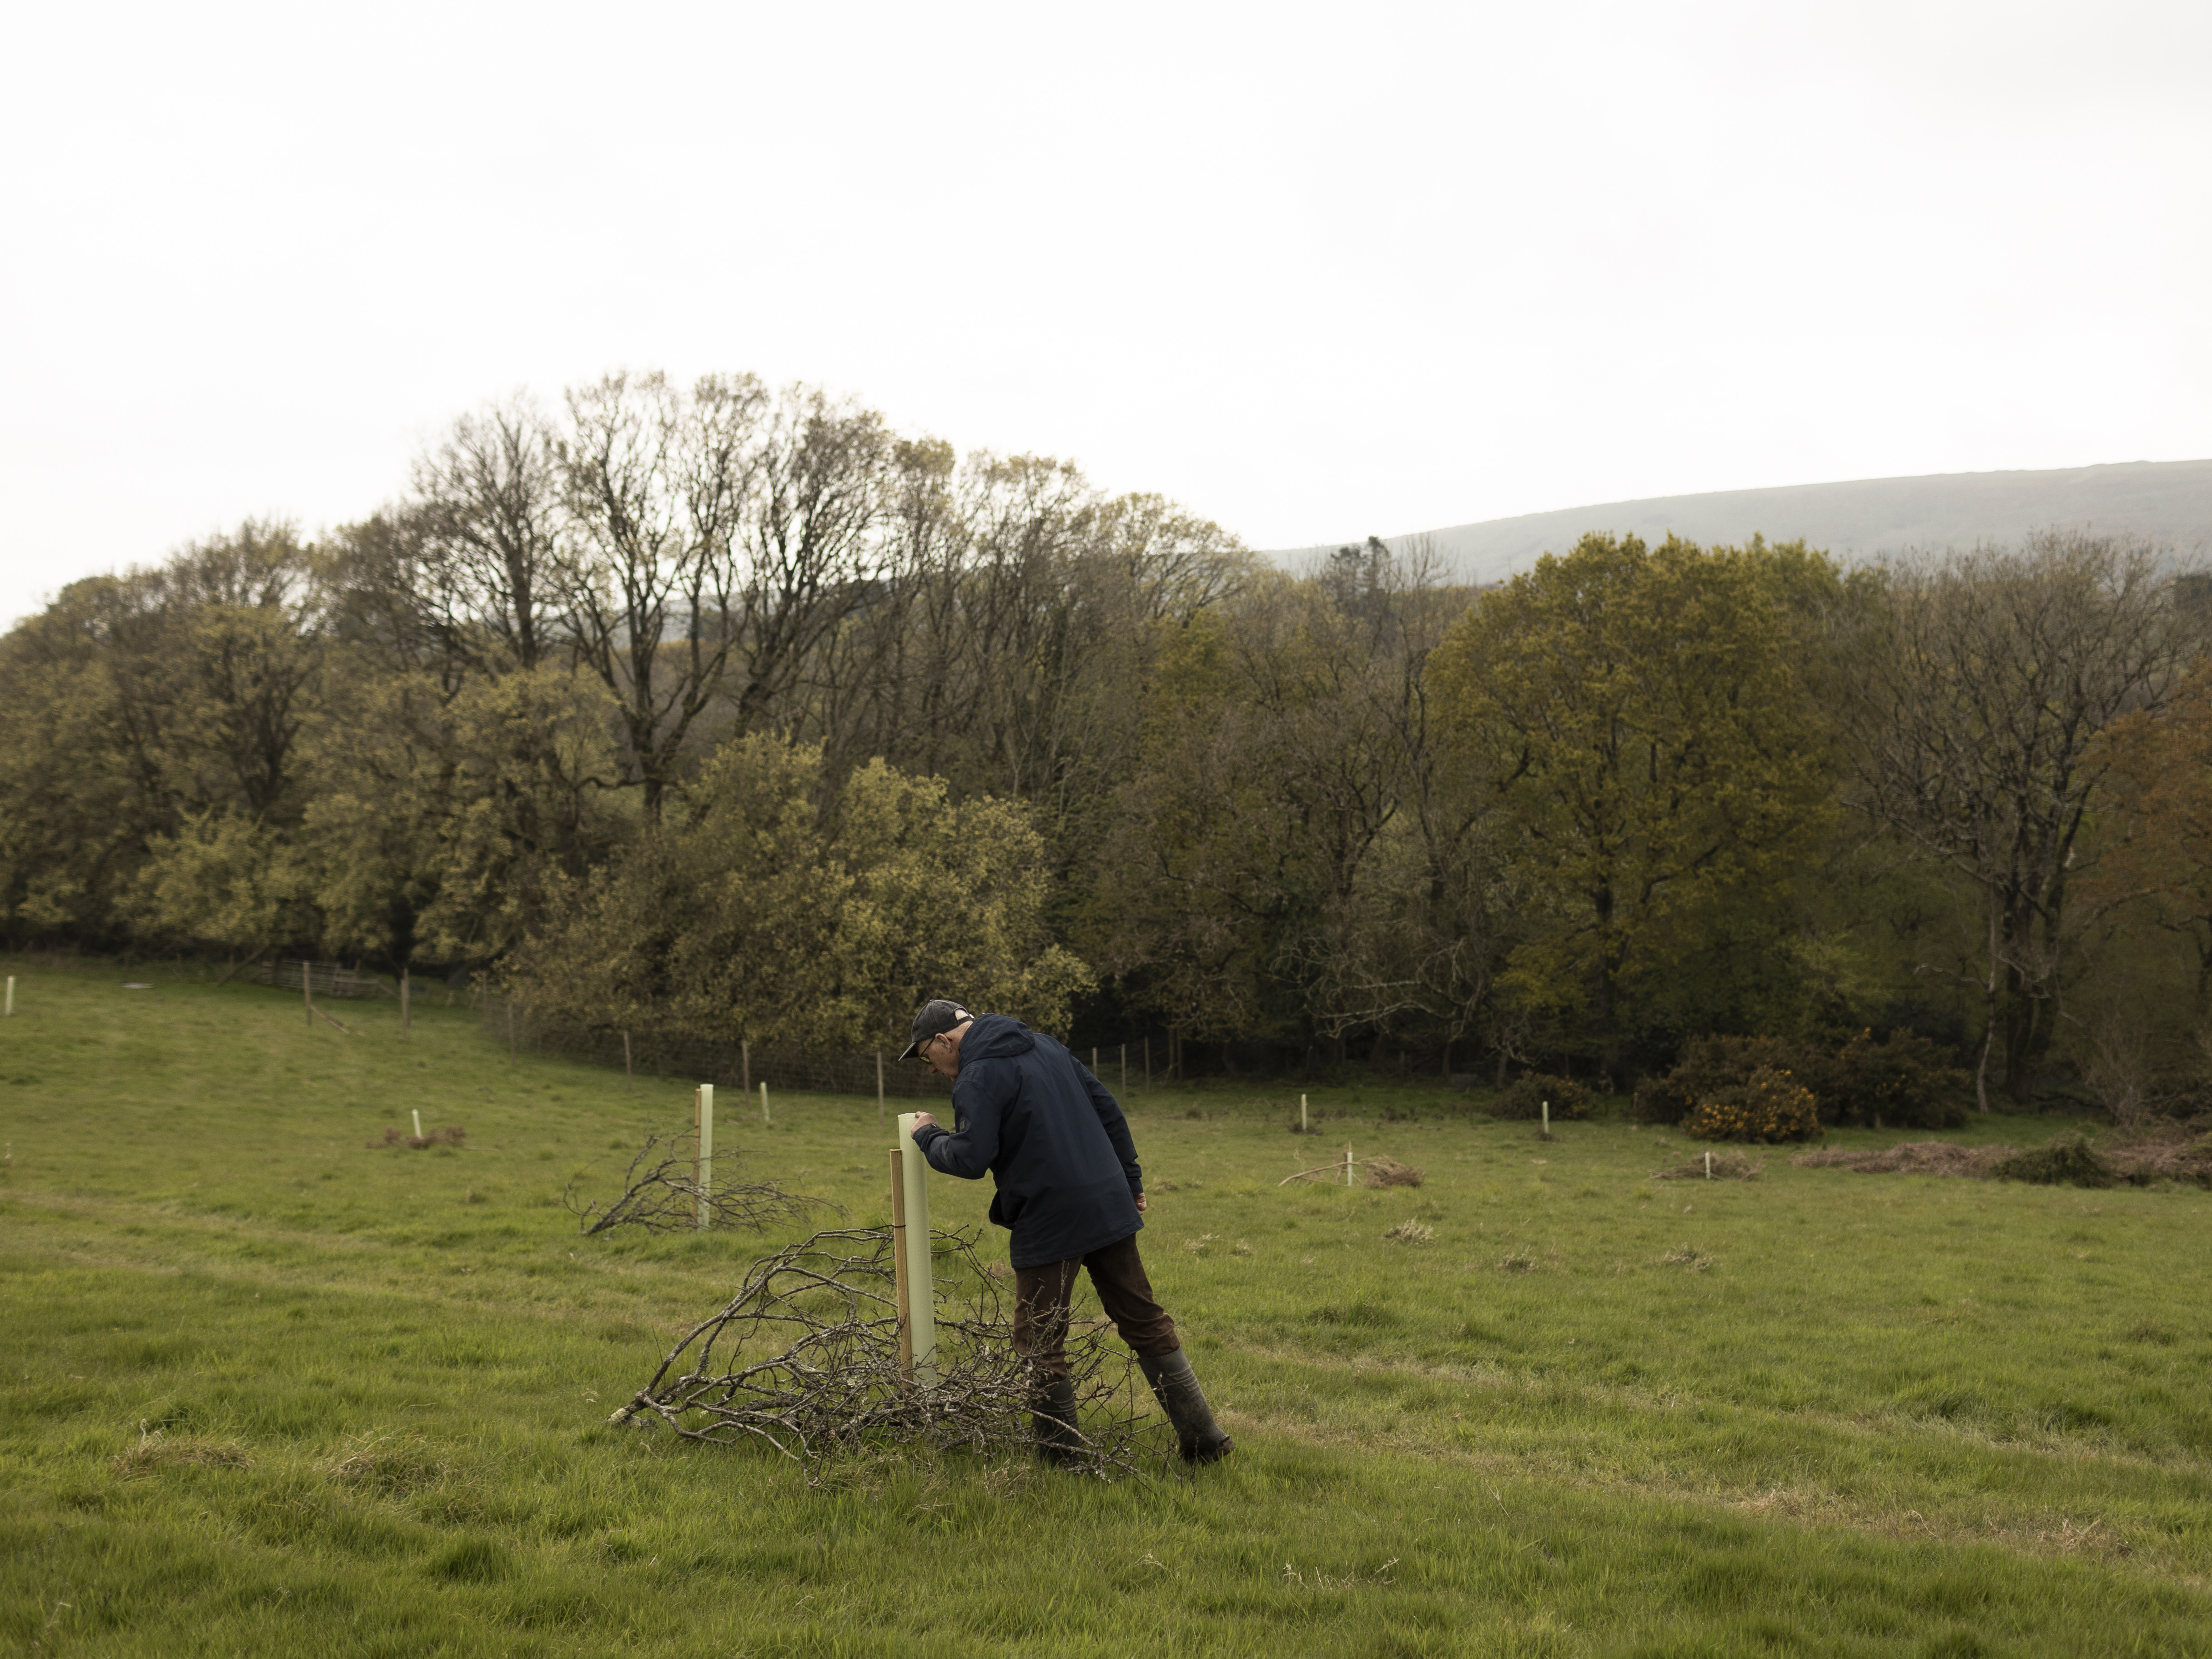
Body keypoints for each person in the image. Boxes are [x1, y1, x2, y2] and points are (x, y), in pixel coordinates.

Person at [900, 997, 1233, 1467]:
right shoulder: (1046, 1046)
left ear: (942, 1041)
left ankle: (1062, 1459)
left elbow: (971, 1159)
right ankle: (1204, 1439)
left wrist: (928, 1135)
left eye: (924, 1057)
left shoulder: (977, 1077)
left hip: (1049, 1215)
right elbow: (1108, 1111)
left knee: (1038, 1339)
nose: (930, 1070)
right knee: (1143, 1318)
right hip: (1106, 1201)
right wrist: (1131, 1181)